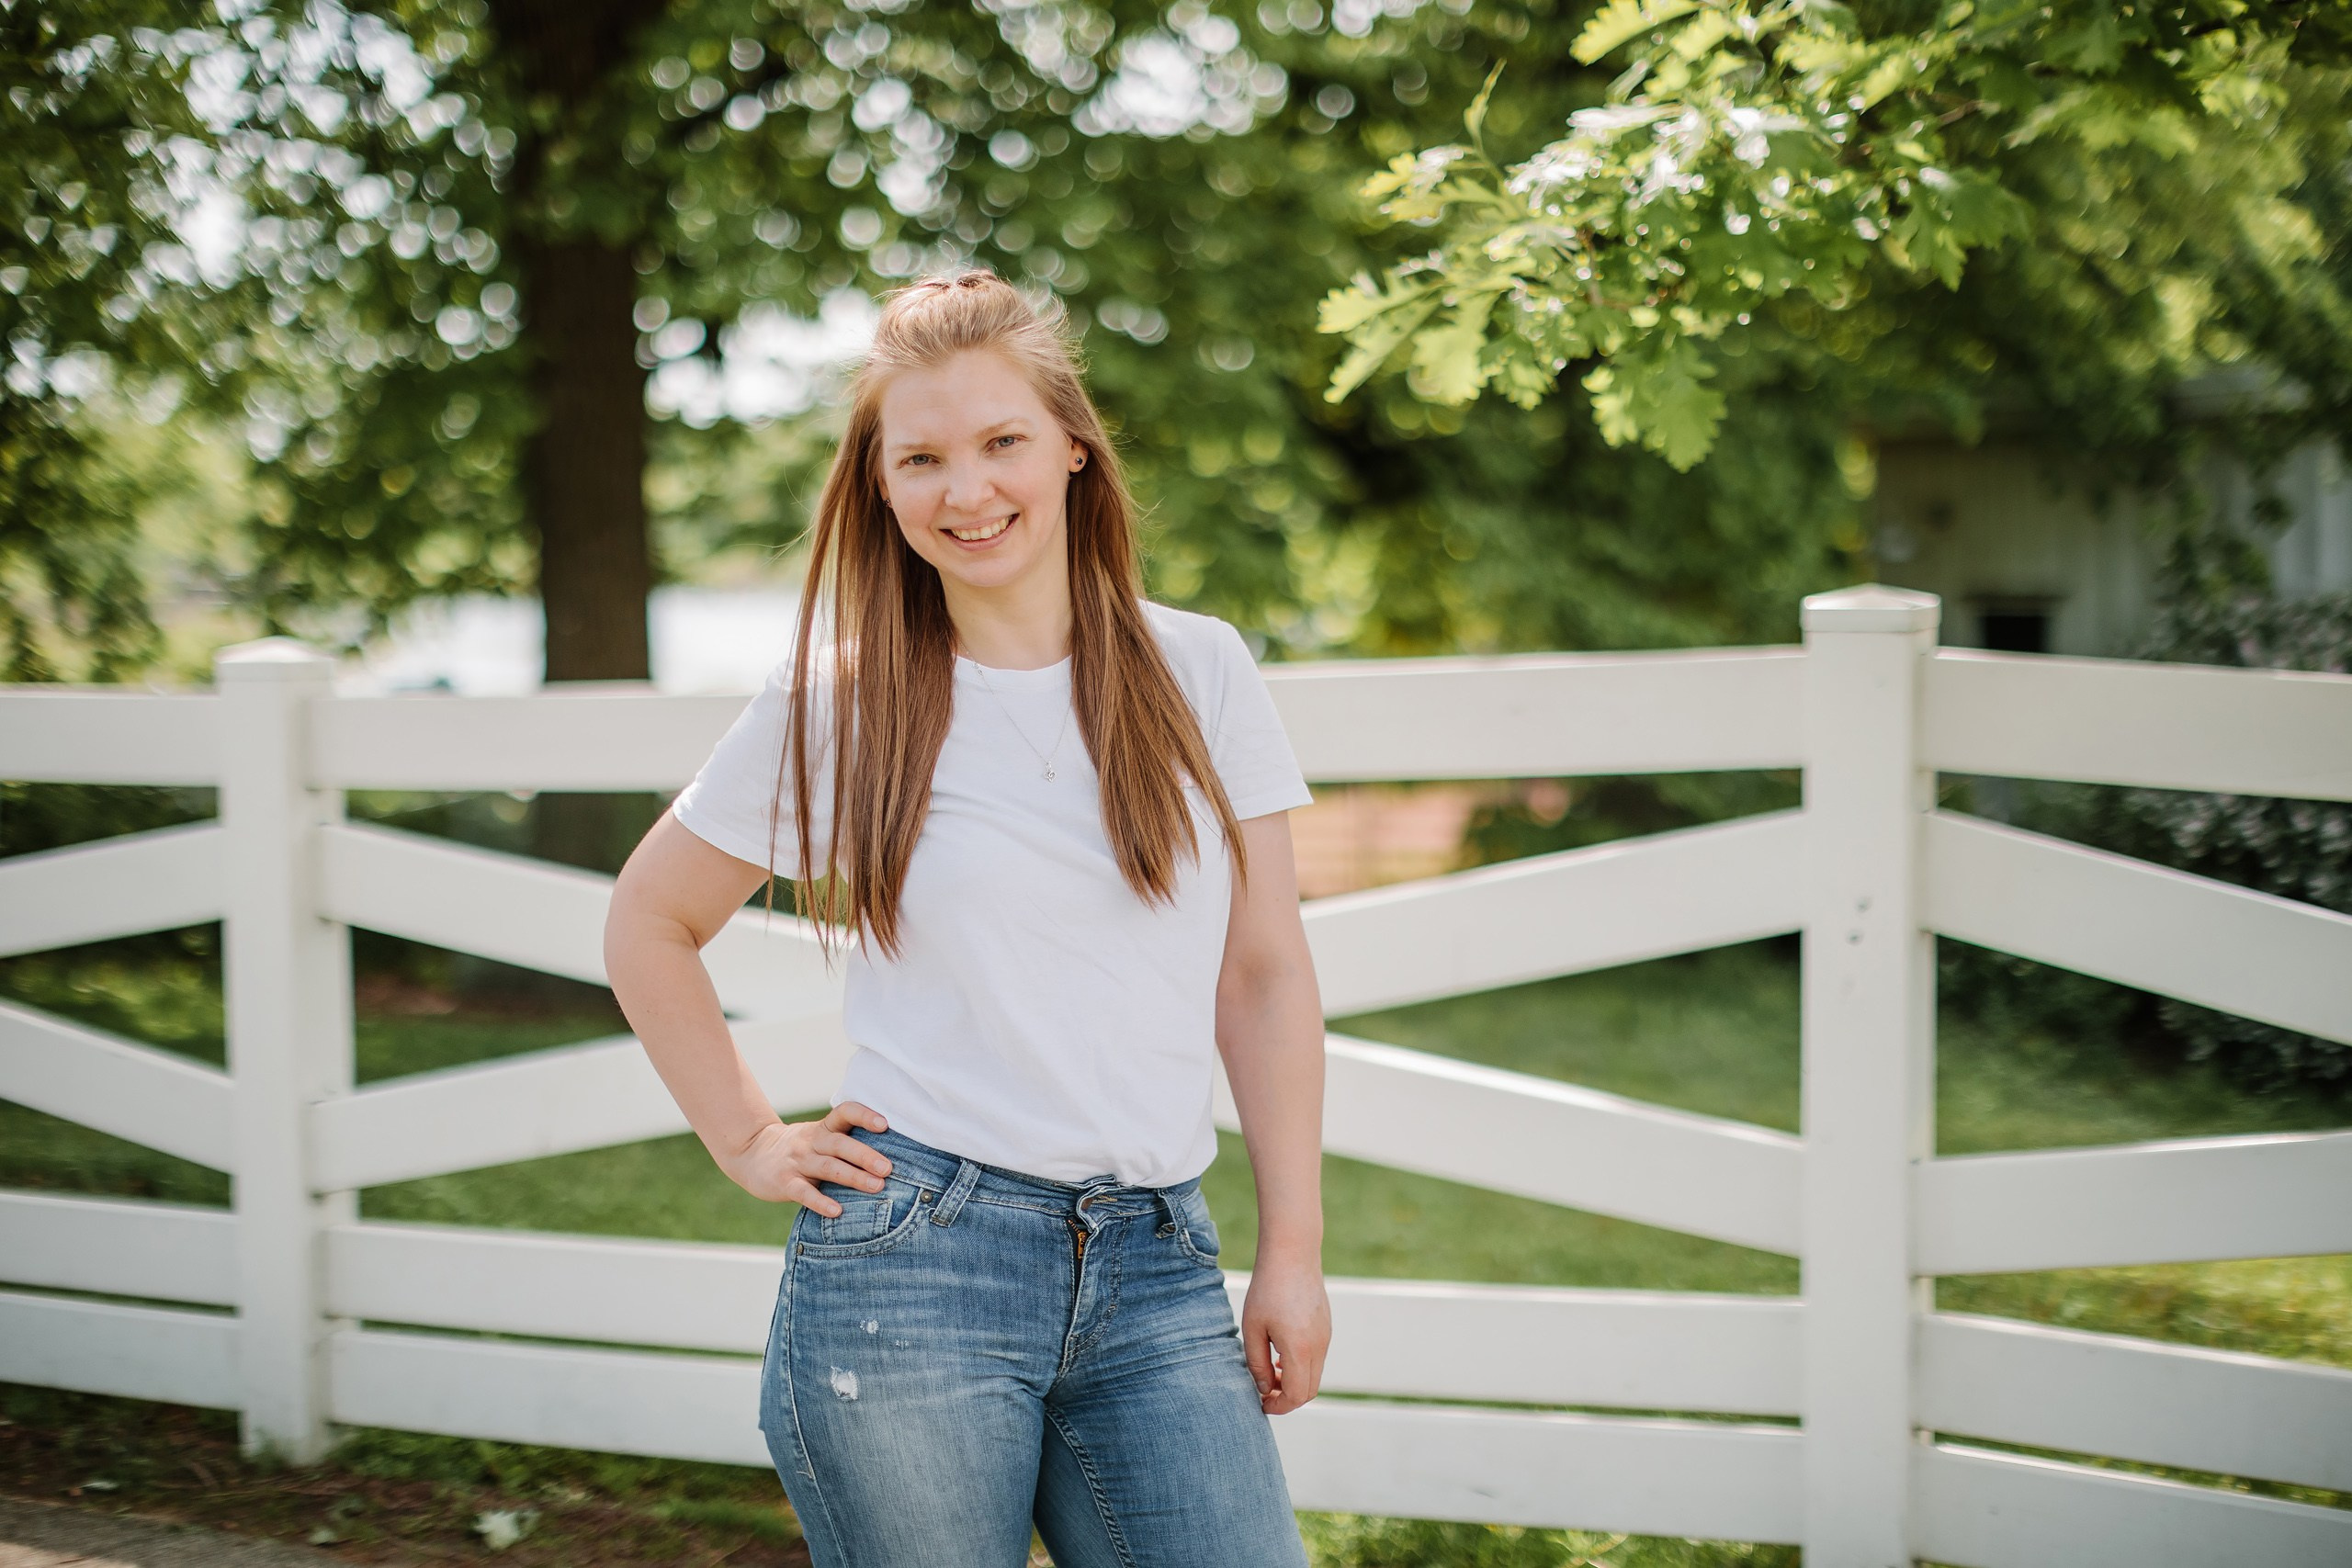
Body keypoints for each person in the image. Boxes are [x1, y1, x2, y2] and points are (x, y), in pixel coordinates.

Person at [602, 269, 1329, 1568]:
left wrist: (1294, 1254)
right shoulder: (840, 701)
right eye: (923, 457)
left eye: (1003, 442)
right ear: (882, 488)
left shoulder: (1201, 669)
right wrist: (751, 1138)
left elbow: (1264, 978)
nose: (968, 488)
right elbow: (649, 921)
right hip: (915, 1270)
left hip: (1158, 1258)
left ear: (1073, 455)